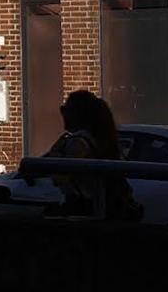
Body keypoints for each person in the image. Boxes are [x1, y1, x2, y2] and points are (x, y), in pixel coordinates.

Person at [52, 89, 139, 220]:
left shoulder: (78, 143)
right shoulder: (98, 139)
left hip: (84, 209)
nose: (62, 114)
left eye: (65, 109)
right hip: (99, 208)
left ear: (76, 114)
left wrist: (54, 156)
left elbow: (61, 178)